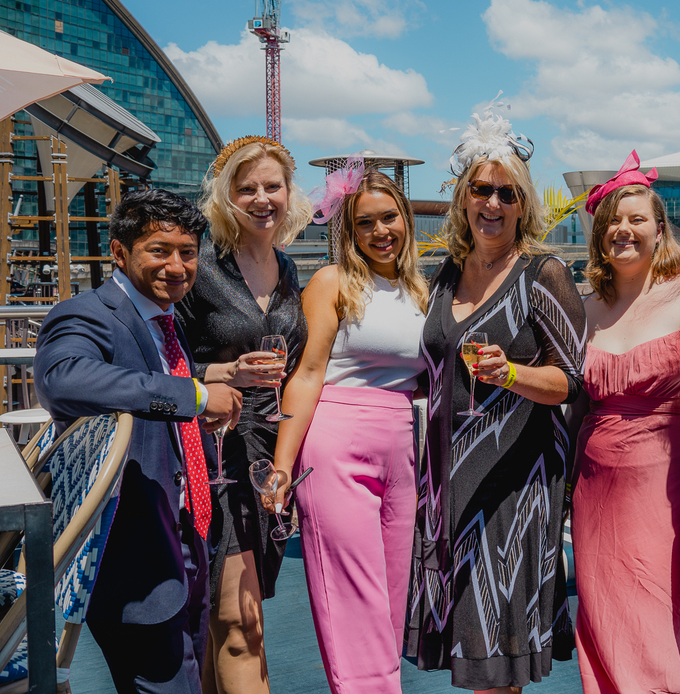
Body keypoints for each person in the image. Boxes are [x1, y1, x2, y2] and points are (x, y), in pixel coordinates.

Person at [407, 101, 586, 691]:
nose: (493, 203)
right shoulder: (446, 276)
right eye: (482, 189)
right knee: (471, 650)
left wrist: (509, 374)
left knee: (494, 655)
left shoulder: (543, 273)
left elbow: (571, 380)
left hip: (512, 480)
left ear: (523, 205)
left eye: (508, 194)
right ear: (463, 198)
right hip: (449, 481)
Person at [34, 189, 243, 693]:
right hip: (135, 557)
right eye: (159, 250)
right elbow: (64, 379)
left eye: (187, 252)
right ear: (120, 252)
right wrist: (194, 395)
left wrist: (203, 391)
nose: (177, 266)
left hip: (184, 536)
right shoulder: (87, 313)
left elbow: (147, 381)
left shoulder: (163, 318)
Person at [267, 165, 428, 694]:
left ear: (406, 219)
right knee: (352, 594)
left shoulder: (422, 288)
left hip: (403, 443)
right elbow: (306, 374)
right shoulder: (332, 281)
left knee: (392, 598)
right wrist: (283, 467)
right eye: (365, 222)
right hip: (337, 439)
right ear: (349, 230)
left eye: (389, 218)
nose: (380, 231)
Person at [571, 150, 680, 694]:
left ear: (660, 230)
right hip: (595, 489)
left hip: (672, 485)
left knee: (666, 618)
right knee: (606, 617)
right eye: (613, 221)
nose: (624, 230)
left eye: (637, 219)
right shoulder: (582, 309)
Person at [175, 135, 312, 694]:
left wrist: (285, 463)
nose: (261, 198)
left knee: (222, 621)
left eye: (272, 186)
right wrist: (221, 374)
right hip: (211, 453)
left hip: (267, 457)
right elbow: (159, 363)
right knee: (239, 622)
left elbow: (301, 369)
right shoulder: (200, 266)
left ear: (288, 194)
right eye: (247, 188)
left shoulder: (287, 268)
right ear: (225, 197)